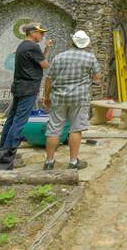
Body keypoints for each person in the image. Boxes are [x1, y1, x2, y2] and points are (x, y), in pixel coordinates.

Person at [42, 30, 100, 170]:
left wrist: (46, 96)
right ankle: (73, 162)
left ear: (72, 42)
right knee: (76, 129)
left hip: (58, 97)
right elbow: (97, 78)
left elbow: (49, 79)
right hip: (79, 98)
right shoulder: (90, 58)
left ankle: (49, 162)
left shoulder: (59, 57)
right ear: (85, 44)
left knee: (54, 129)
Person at [0, 23, 53, 149]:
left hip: (19, 86)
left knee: (12, 119)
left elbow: (39, 62)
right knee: (20, 121)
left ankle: (2, 148)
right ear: (33, 33)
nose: (42, 35)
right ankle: (8, 152)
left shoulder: (23, 45)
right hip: (28, 88)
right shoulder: (33, 47)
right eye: (41, 33)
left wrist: (46, 49)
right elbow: (45, 65)